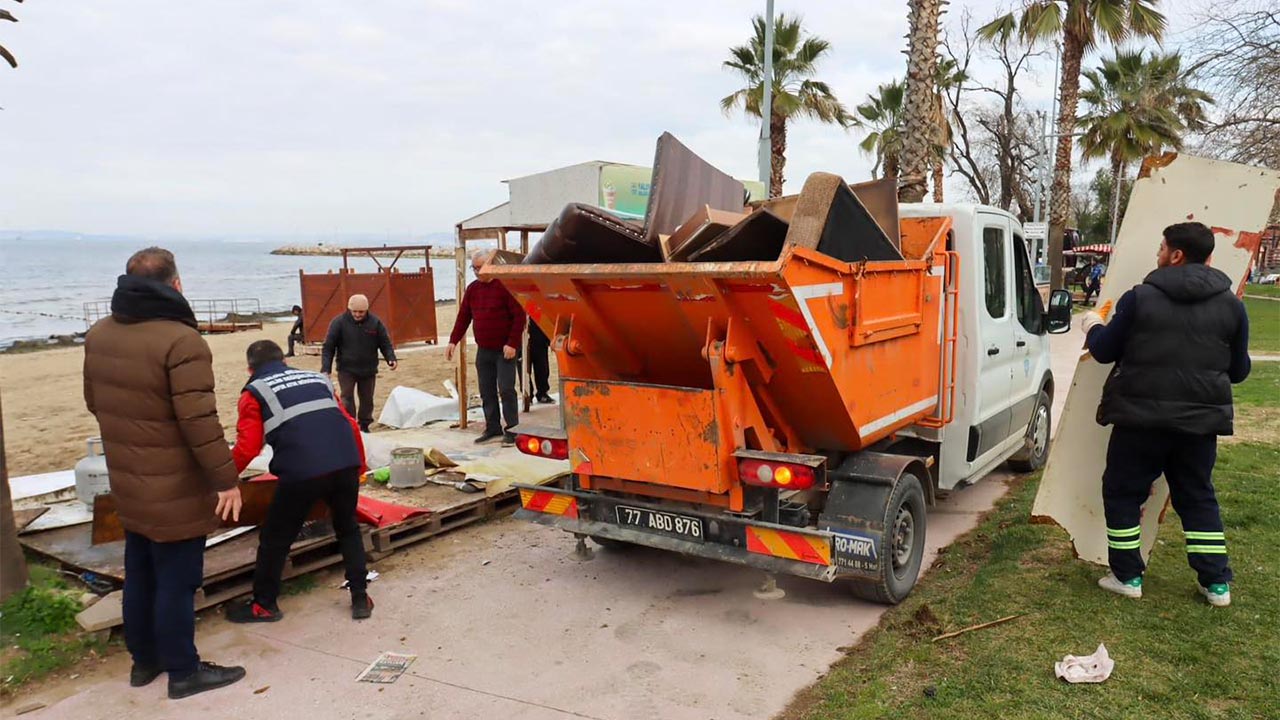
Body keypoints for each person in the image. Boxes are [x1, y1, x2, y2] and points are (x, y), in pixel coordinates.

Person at [82, 247, 246, 699]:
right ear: (176, 284)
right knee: (177, 579)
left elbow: (95, 402)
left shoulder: (98, 333)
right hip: (174, 484)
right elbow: (199, 422)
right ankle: (183, 671)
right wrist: (225, 478)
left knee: (140, 572)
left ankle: (145, 662)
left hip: (128, 477)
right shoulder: (182, 340)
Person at [1082, 222, 1250, 607]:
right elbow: (1239, 372)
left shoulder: (1140, 298)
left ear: (1176, 255)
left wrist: (1092, 325)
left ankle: (1126, 576)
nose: (1157, 255)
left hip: (1139, 421)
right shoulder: (1232, 306)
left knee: (1123, 492)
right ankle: (1216, 584)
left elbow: (1105, 351)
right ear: (1209, 257)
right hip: (1199, 426)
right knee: (1197, 496)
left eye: (1161, 249)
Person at [225, 340, 373, 622]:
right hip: (345, 461)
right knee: (348, 529)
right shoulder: (317, 379)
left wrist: (224, 478)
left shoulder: (254, 392)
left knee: (275, 538)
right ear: (283, 360)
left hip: (301, 471)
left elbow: (247, 447)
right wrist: (360, 467)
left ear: (249, 368)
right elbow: (350, 424)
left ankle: (265, 605)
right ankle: (360, 598)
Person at [446, 250, 526, 444]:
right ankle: (493, 427)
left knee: (506, 388)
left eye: (479, 267)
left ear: (490, 265)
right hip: (484, 349)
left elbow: (519, 316)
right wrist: (453, 341)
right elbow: (464, 317)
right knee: (486, 390)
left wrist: (512, 343)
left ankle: (512, 429)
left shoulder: (504, 286)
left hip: (505, 349)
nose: (476, 271)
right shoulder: (473, 289)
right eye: (473, 268)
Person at [321, 294, 397, 432]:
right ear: (349, 309)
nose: (357, 314)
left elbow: (385, 343)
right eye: (354, 311)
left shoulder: (375, 323)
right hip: (346, 369)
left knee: (367, 399)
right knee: (347, 396)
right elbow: (328, 347)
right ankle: (350, 424)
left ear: (367, 310)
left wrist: (391, 358)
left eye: (361, 312)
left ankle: (364, 425)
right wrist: (326, 368)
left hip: (368, 369)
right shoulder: (338, 323)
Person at [527, 322, 555, 404]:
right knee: (524, 369)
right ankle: (528, 395)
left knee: (542, 367)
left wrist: (549, 339)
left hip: (539, 337)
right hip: (523, 338)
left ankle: (542, 393)